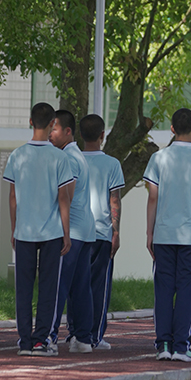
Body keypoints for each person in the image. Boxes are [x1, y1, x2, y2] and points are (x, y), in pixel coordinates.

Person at [144, 107, 191, 362]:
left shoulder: (158, 158)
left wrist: (149, 232)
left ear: (172, 129)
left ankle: (163, 344)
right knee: (187, 290)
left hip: (163, 233)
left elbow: (153, 198)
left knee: (163, 289)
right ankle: (181, 347)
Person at [3, 102, 74, 356]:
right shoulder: (59, 157)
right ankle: (40, 340)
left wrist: (14, 227)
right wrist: (66, 232)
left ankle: (24, 340)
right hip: (51, 232)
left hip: (24, 230)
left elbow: (12, 196)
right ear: (53, 123)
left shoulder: (17, 155)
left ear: (30, 121)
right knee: (48, 287)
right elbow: (63, 197)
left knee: (23, 288)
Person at [49, 110, 95, 352]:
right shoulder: (76, 155)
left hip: (73, 231)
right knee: (80, 287)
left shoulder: (68, 158)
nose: (50, 133)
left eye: (54, 129)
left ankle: (49, 334)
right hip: (84, 230)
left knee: (58, 285)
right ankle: (83, 338)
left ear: (68, 131)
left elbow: (67, 195)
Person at [79, 113, 125, 350]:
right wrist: (116, 231)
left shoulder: (72, 160)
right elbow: (114, 199)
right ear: (102, 135)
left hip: (76, 232)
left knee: (76, 285)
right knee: (99, 286)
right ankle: (94, 335)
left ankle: (76, 334)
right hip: (101, 232)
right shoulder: (112, 164)